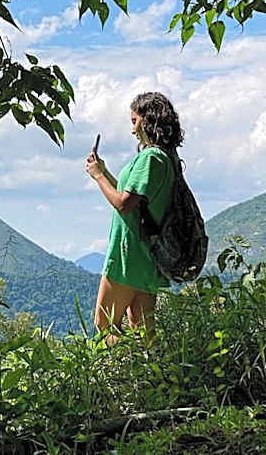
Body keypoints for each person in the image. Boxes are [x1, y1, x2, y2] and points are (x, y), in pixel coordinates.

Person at [85, 91, 182, 344]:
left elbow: (124, 204)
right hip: (146, 255)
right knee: (142, 332)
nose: (132, 130)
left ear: (148, 120)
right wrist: (104, 170)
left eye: (134, 121)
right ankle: (150, 377)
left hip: (129, 254)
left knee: (104, 324)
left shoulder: (151, 158)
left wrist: (97, 176)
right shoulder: (163, 157)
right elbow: (135, 199)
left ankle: (126, 368)